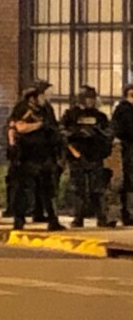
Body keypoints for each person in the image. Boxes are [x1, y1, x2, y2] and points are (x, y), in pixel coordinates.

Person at [7, 85, 64, 231]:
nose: (45, 98)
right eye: (43, 95)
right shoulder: (21, 109)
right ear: (33, 97)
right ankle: (19, 220)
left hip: (45, 154)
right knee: (24, 189)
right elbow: (19, 127)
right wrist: (38, 125)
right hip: (27, 155)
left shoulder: (47, 109)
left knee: (48, 189)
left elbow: (53, 127)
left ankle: (52, 219)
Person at [61, 86, 115, 229]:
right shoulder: (71, 115)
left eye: (92, 98)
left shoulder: (100, 117)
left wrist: (98, 133)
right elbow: (62, 132)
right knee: (78, 188)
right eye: (88, 98)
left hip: (95, 156)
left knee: (97, 188)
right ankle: (78, 218)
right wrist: (77, 133)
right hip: (77, 156)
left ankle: (101, 218)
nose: (90, 101)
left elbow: (109, 133)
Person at [112, 84, 133, 226]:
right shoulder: (123, 110)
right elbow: (121, 129)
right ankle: (128, 213)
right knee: (129, 181)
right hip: (128, 149)